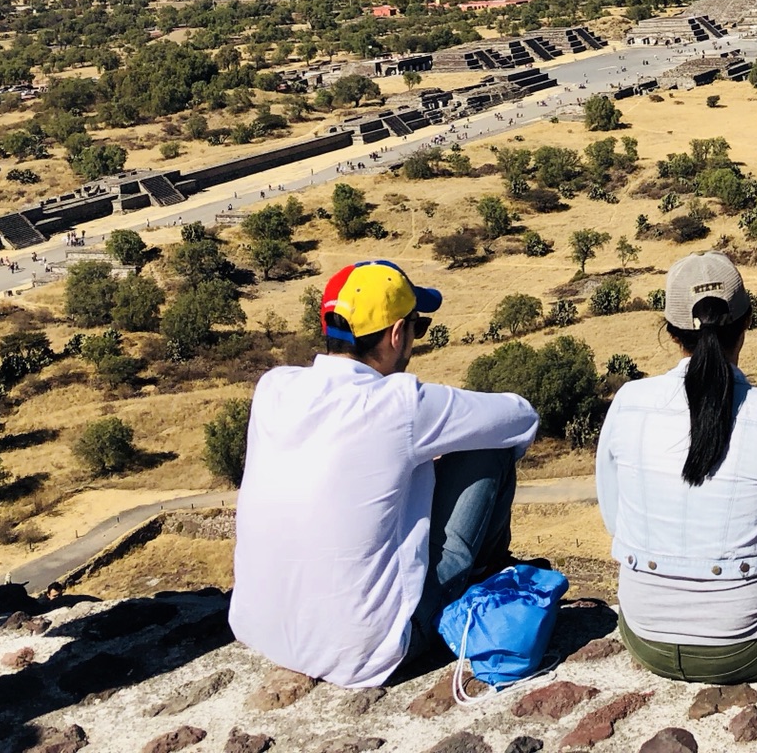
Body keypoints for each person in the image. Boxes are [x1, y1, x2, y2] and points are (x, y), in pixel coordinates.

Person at [230, 260, 539, 687]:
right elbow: (520, 417)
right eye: (418, 327)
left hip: (260, 630)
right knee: (489, 444)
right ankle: (483, 579)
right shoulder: (400, 404)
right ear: (397, 335)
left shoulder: (274, 387)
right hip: (373, 650)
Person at [597, 252, 757, 683]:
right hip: (745, 648)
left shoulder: (628, 403)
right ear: (745, 323)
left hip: (644, 636)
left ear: (671, 332)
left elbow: (616, 522)